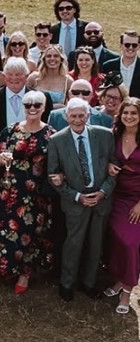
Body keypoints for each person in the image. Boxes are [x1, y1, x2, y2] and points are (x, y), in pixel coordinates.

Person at [47, 97, 116, 302]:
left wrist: (103, 192)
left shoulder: (104, 136)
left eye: (81, 116)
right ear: (66, 116)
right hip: (75, 201)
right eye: (73, 116)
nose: (77, 120)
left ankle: (89, 283)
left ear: (88, 115)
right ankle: (67, 284)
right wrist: (77, 196)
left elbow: (114, 168)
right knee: (73, 243)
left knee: (96, 244)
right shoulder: (57, 140)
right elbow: (53, 176)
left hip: (101, 200)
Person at [0, 91, 54, 293]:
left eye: (37, 105)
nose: (32, 108)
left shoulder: (51, 134)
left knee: (31, 234)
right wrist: (0, 159)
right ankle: (5, 268)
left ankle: (25, 274)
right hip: (9, 192)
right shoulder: (11, 130)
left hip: (35, 195)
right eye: (28, 105)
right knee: (3, 232)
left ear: (43, 108)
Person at [105, 97, 140, 314]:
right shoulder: (114, 134)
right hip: (115, 195)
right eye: (125, 113)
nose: (129, 117)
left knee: (130, 244)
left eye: (134, 114)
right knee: (115, 240)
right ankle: (119, 280)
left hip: (137, 199)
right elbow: (107, 157)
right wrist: (110, 164)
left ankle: (127, 290)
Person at [102, 31, 140, 98]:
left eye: (134, 45)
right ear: (121, 46)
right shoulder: (108, 66)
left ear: (138, 47)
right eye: (127, 45)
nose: (130, 48)